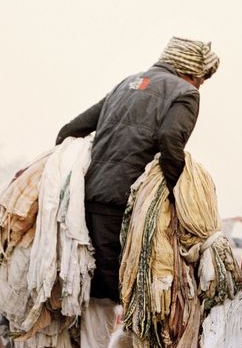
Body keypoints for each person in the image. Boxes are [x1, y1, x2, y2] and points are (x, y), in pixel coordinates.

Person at [56, 36, 220, 303]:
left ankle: (96, 345)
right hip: (127, 206)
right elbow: (170, 140)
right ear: (191, 70)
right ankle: (121, 344)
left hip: (86, 201)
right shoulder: (185, 93)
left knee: (93, 293)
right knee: (127, 295)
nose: (201, 85)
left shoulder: (126, 85)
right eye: (202, 79)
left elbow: (69, 132)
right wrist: (179, 194)